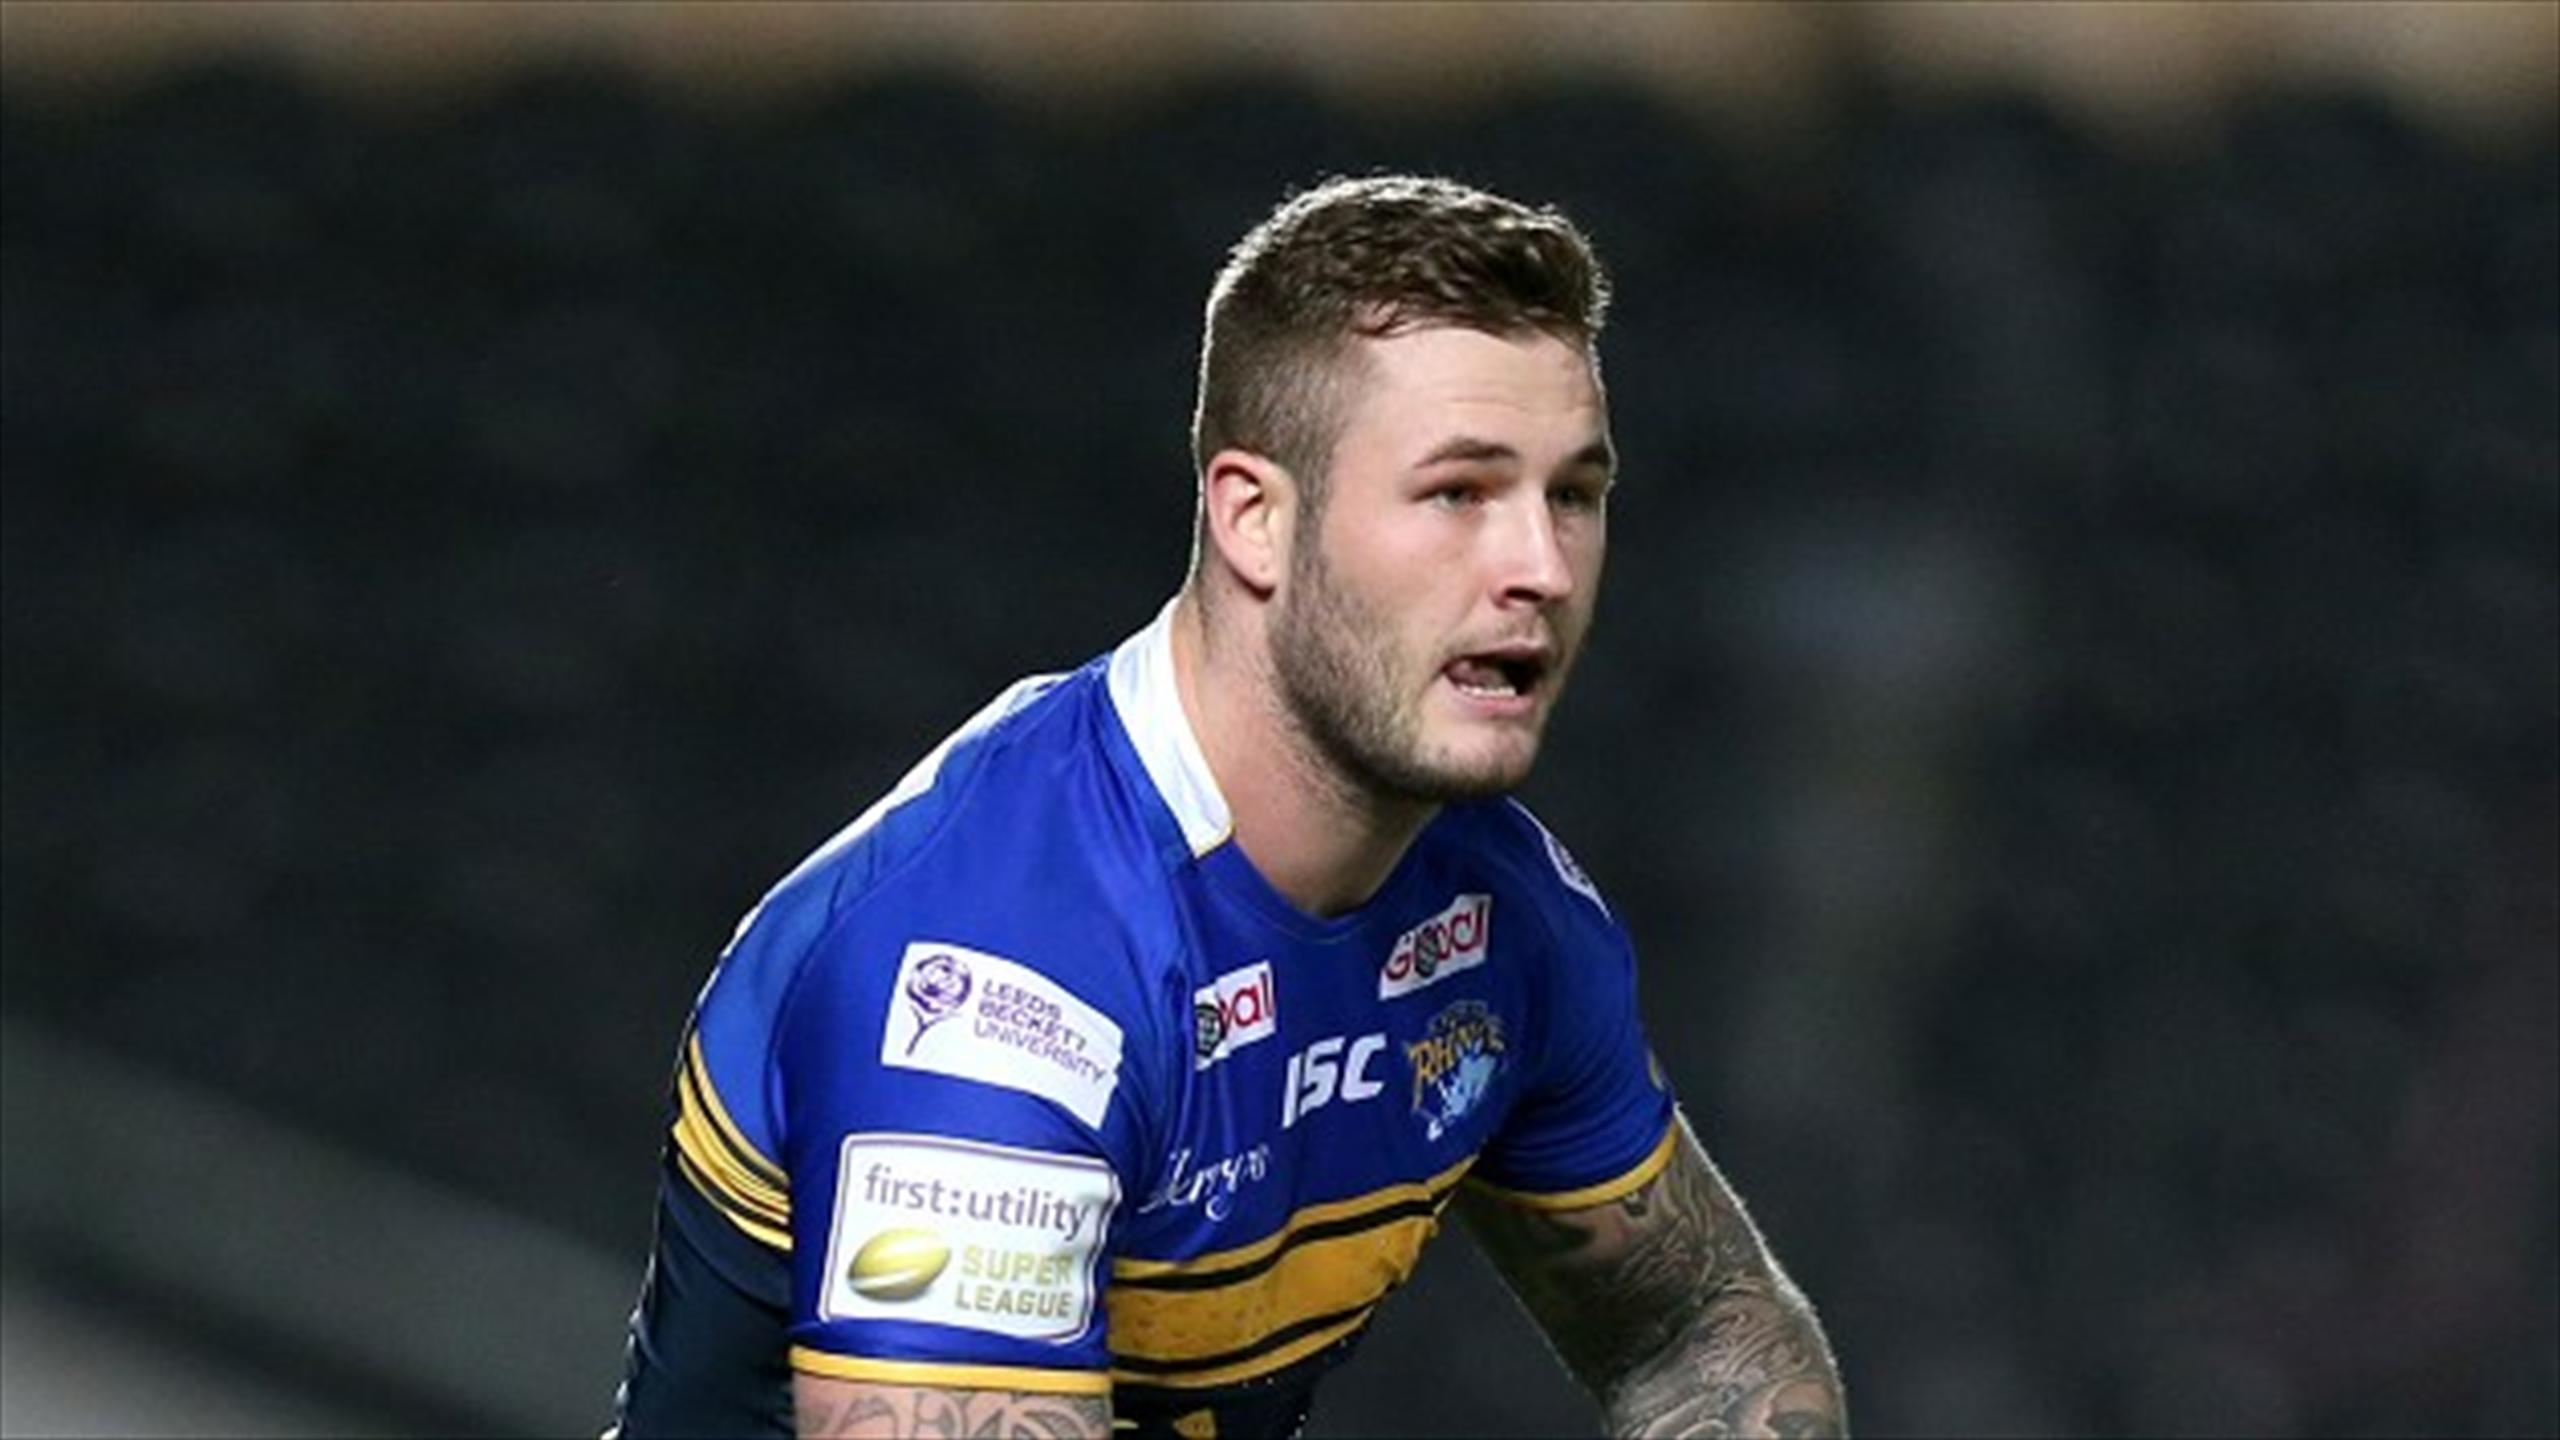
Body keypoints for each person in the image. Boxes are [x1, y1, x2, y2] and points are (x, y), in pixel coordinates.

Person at [611, 174, 1847, 1439]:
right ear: (1254, 518)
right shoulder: (992, 979)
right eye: (1459, 493)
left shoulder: (1508, 918)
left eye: (1572, 495)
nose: (1539, 567)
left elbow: (1700, 1336)